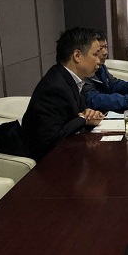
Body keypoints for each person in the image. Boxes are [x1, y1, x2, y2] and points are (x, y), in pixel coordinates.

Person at [22, 27, 105, 161]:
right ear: (77, 56)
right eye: (95, 54)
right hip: (48, 163)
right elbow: (51, 139)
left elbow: (73, 117)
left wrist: (87, 115)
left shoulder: (71, 78)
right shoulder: (54, 87)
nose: (98, 60)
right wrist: (83, 119)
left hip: (69, 154)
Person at [82, 31, 128, 112]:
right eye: (100, 49)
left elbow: (112, 83)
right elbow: (94, 99)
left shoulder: (101, 66)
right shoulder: (83, 71)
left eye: (106, 47)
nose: (105, 52)